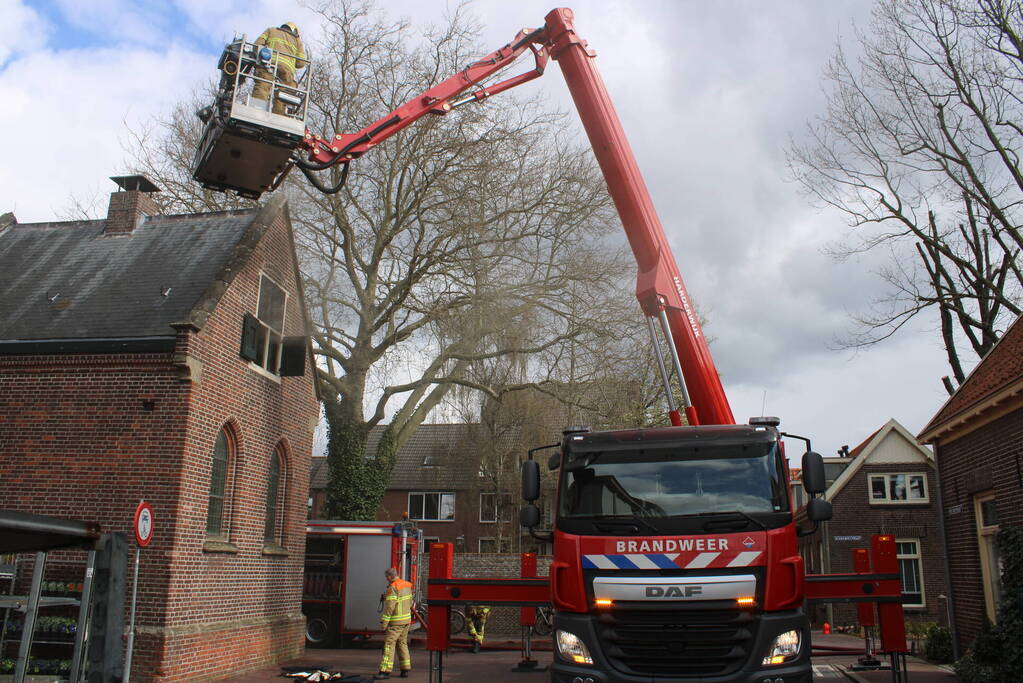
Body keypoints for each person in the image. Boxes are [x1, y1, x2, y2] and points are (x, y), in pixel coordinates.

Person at [251, 22, 307, 115]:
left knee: (262, 87)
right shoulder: (297, 40)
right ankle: (278, 115)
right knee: (283, 95)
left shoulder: (271, 30)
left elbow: (257, 45)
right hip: (286, 71)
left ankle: (256, 111)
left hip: (268, 65)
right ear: (294, 31)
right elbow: (301, 63)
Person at [376, 567, 413, 679]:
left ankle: (385, 671)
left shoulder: (393, 588)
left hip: (396, 622)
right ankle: (405, 669)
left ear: (389, 576)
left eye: (386, 577)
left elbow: (389, 608)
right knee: (402, 644)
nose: (386, 579)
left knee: (389, 645)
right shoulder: (406, 585)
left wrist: (384, 623)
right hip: (406, 621)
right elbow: (410, 603)